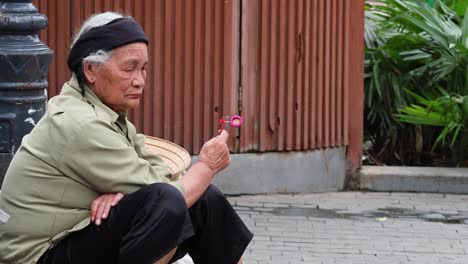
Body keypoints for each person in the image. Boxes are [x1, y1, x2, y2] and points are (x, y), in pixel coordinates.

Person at [0, 12, 253, 264]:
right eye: (129, 68)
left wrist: (124, 193)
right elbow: (167, 194)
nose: (140, 80)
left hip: (72, 237)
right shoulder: (81, 122)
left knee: (203, 199)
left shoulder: (105, 111)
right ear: (90, 70)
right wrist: (207, 165)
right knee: (167, 204)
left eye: (143, 69)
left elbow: (161, 173)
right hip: (38, 256)